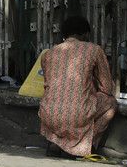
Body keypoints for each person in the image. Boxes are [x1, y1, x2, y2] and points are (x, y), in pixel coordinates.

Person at [39, 16, 117, 158]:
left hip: (48, 114)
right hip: (77, 114)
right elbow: (106, 88)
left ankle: (56, 143)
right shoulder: (94, 50)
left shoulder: (48, 54)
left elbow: (51, 85)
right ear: (85, 34)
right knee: (110, 103)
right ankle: (82, 146)